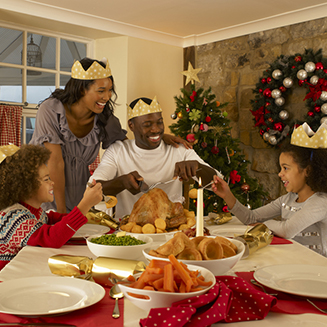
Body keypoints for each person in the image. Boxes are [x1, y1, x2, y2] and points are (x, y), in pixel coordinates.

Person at [29, 57, 190, 214]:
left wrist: (158, 138)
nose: (107, 97)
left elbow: (129, 149)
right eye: (101, 91)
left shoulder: (105, 119)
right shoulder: (51, 110)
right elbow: (55, 162)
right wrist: (61, 213)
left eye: (110, 90)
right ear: (80, 89)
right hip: (47, 185)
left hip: (79, 188)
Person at [89, 96, 222, 219]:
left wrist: (198, 168)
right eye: (147, 125)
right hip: (129, 233)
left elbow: (217, 181)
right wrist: (121, 182)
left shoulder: (179, 149)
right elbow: (91, 187)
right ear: (131, 125)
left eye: (159, 122)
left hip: (171, 230)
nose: (156, 129)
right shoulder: (118, 151)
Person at [211, 122, 327, 257]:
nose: (280, 174)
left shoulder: (321, 202)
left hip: (316, 270)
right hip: (293, 261)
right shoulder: (288, 199)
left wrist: (263, 225)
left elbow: (287, 230)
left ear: (307, 171)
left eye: (286, 168)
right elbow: (251, 217)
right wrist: (227, 195)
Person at [0, 144, 103, 270]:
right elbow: (51, 238)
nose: (52, 182)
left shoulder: (32, 211)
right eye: (46, 179)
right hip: (7, 280)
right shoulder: (13, 218)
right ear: (26, 186)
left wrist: (87, 215)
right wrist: (84, 205)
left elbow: (49, 218)